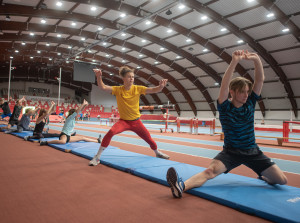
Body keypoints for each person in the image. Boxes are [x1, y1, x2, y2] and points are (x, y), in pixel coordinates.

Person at [166, 50, 287, 198]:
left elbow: (260, 80)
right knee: (210, 171)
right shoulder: (224, 107)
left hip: (253, 152)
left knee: (282, 180)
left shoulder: (250, 103)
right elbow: (224, 84)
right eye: (242, 92)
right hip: (231, 153)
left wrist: (257, 60)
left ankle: (264, 177)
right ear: (232, 92)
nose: (246, 95)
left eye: (247, 92)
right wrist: (234, 61)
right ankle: (181, 186)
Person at [89, 66, 170, 166]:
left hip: (136, 122)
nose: (131, 78)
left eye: (132, 77)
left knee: (149, 139)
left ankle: (157, 153)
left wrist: (161, 86)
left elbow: (154, 89)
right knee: (111, 132)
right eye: (129, 77)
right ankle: (97, 157)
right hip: (123, 122)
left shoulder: (138, 89)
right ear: (123, 78)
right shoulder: (118, 90)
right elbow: (103, 87)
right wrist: (99, 77)